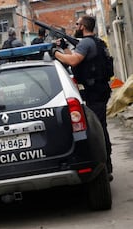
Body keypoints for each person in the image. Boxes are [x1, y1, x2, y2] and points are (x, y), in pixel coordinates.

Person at [53, 15, 113, 181]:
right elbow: (76, 58)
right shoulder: (94, 42)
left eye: (77, 24)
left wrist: (55, 53)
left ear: (83, 27)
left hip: (95, 91)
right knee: (99, 127)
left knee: (98, 129)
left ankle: (105, 167)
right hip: (98, 90)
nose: (75, 26)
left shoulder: (86, 43)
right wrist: (64, 48)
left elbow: (73, 61)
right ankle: (106, 166)